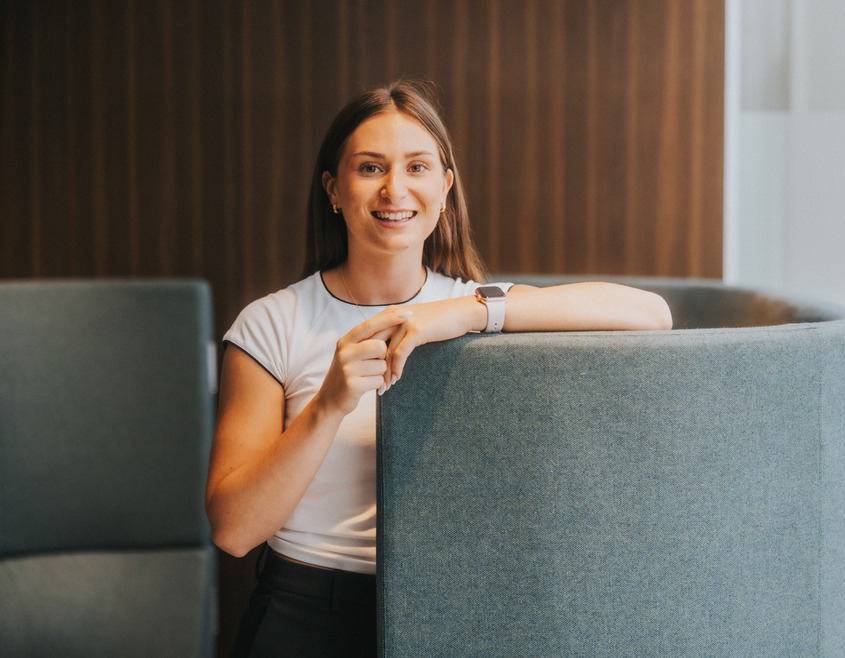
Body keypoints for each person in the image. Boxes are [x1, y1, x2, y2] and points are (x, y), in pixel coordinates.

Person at [206, 80, 673, 657]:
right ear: (334, 189)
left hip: (455, 609)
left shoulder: (475, 311)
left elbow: (650, 314)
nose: (395, 189)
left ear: (445, 188)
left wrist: (459, 313)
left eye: (418, 167)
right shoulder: (272, 323)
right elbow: (233, 531)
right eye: (371, 168)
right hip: (306, 612)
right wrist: (329, 403)